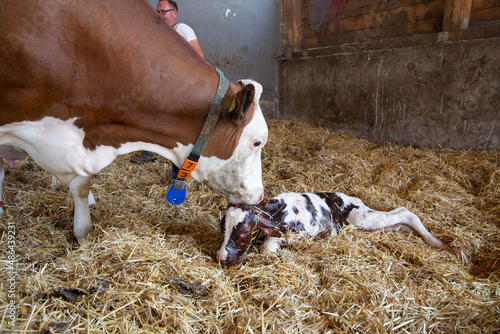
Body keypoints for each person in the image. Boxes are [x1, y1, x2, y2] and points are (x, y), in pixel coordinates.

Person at [133, 0, 204, 164]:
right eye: (158, 12)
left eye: (163, 11)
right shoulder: (158, 33)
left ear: (174, 13)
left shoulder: (182, 29)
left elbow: (199, 55)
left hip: (181, 82)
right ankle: (153, 150)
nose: (160, 15)